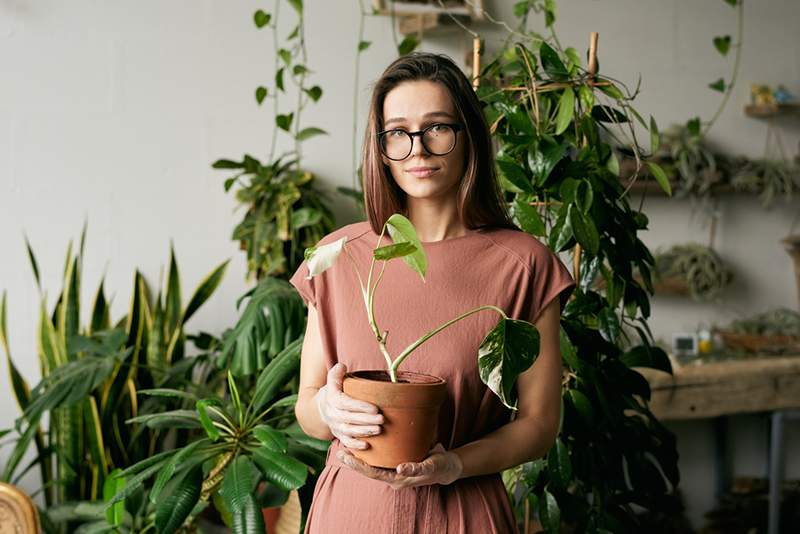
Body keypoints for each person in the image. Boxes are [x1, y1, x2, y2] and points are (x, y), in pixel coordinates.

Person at [289, 52, 575, 534]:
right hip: (351, 514)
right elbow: (308, 407)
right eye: (398, 133)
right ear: (380, 148)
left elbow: (540, 425)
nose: (417, 149)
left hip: (463, 512)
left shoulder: (524, 266)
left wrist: (454, 465)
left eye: (437, 127)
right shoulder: (339, 256)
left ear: (468, 138)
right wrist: (326, 410)